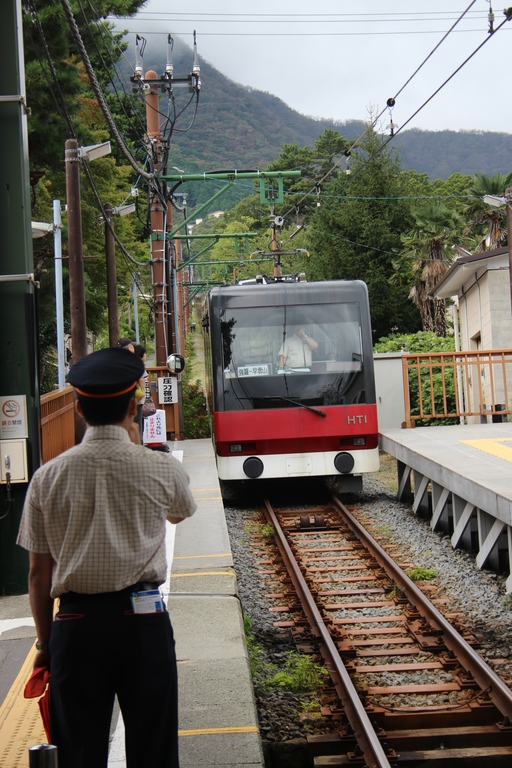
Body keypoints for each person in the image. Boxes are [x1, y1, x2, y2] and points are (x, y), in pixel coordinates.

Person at [17, 347, 197, 768]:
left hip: (74, 626)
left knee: (78, 753)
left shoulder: (46, 478)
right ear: (134, 406)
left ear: (79, 409)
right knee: (154, 750)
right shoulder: (161, 468)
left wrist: (45, 642)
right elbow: (178, 512)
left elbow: (38, 575)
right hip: (143, 622)